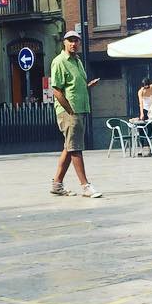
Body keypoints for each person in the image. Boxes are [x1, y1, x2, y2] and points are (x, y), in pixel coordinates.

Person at [50, 29, 102, 197]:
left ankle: (57, 184)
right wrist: (70, 110)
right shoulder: (59, 61)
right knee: (75, 148)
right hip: (69, 111)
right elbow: (56, 90)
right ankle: (85, 186)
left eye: (76, 40)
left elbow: (73, 86)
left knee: (70, 146)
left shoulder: (77, 61)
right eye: (70, 40)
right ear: (64, 42)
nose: (73, 43)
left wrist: (87, 87)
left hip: (79, 108)